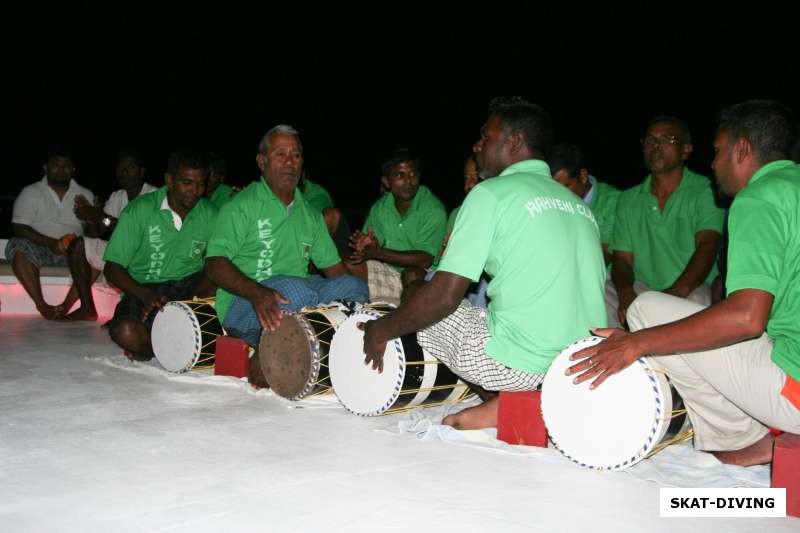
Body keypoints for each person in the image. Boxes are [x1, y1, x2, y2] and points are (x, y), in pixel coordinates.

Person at [568, 100, 800, 466]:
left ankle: (738, 436)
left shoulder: (759, 196)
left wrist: (636, 343)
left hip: (795, 388)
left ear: (743, 149)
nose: (713, 163)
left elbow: (747, 318)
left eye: (719, 151)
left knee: (646, 310)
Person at [360, 97, 606, 429]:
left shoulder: (491, 193)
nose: (477, 146)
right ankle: (534, 400)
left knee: (419, 292)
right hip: (580, 365)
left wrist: (379, 331)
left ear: (514, 141)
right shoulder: (579, 206)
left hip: (521, 366)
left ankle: (502, 404)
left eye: (485, 136)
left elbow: (443, 299)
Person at [204, 125, 367, 383]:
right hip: (245, 301)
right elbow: (214, 264)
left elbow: (335, 271)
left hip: (293, 297)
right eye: (280, 154)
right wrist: (257, 294)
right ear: (262, 161)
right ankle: (284, 348)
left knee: (353, 285)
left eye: (296, 155)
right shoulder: (241, 206)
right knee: (297, 291)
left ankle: (316, 345)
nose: (290, 162)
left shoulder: (310, 214)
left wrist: (356, 300)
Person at [607, 116, 725, 328]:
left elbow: (708, 245)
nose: (656, 146)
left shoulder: (705, 190)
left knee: (694, 313)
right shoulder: (628, 199)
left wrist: (675, 293)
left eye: (667, 139)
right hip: (642, 288)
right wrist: (625, 293)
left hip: (691, 286)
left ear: (686, 150)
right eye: (650, 140)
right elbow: (622, 259)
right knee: (598, 295)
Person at [104, 151, 218, 360]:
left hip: (188, 287)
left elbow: (218, 261)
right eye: (187, 182)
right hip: (145, 287)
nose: (195, 191)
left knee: (218, 270)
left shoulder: (210, 213)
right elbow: (112, 268)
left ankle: (170, 329)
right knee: (125, 331)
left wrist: (185, 301)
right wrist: (144, 295)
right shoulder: (139, 210)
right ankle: (155, 347)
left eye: (201, 184)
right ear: (169, 180)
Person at [58, 149, 158, 320]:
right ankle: (87, 308)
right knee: (78, 245)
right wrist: (89, 217)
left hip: (147, 255)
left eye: (130, 167)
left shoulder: (154, 196)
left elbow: (139, 235)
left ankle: (128, 313)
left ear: (142, 171)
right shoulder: (117, 196)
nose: (124, 172)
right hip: (120, 254)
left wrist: (100, 216)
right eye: (120, 168)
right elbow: (97, 233)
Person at [5, 146, 95, 319]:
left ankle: (65, 308)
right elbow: (19, 227)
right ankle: (42, 305)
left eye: (66, 166)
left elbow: (93, 235)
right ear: (46, 168)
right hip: (38, 249)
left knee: (98, 252)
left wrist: (90, 216)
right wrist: (51, 243)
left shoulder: (85, 194)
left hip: (73, 253)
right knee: (17, 245)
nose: (61, 170)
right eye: (56, 165)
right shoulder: (31, 192)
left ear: (73, 170)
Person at [346, 149, 447, 305]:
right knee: (347, 265)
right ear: (386, 182)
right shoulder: (380, 208)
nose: (408, 182)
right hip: (390, 273)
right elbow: (372, 247)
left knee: (411, 273)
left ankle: (407, 318)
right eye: (399, 175)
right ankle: (366, 308)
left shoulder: (433, 209)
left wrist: (378, 252)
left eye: (413, 174)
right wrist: (364, 247)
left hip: (425, 277)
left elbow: (425, 260)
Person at [549, 143, 620, 265]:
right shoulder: (551, 201)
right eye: (553, 190)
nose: (558, 196)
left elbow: (603, 257)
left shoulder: (613, 201)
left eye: (565, 187)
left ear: (583, 176)